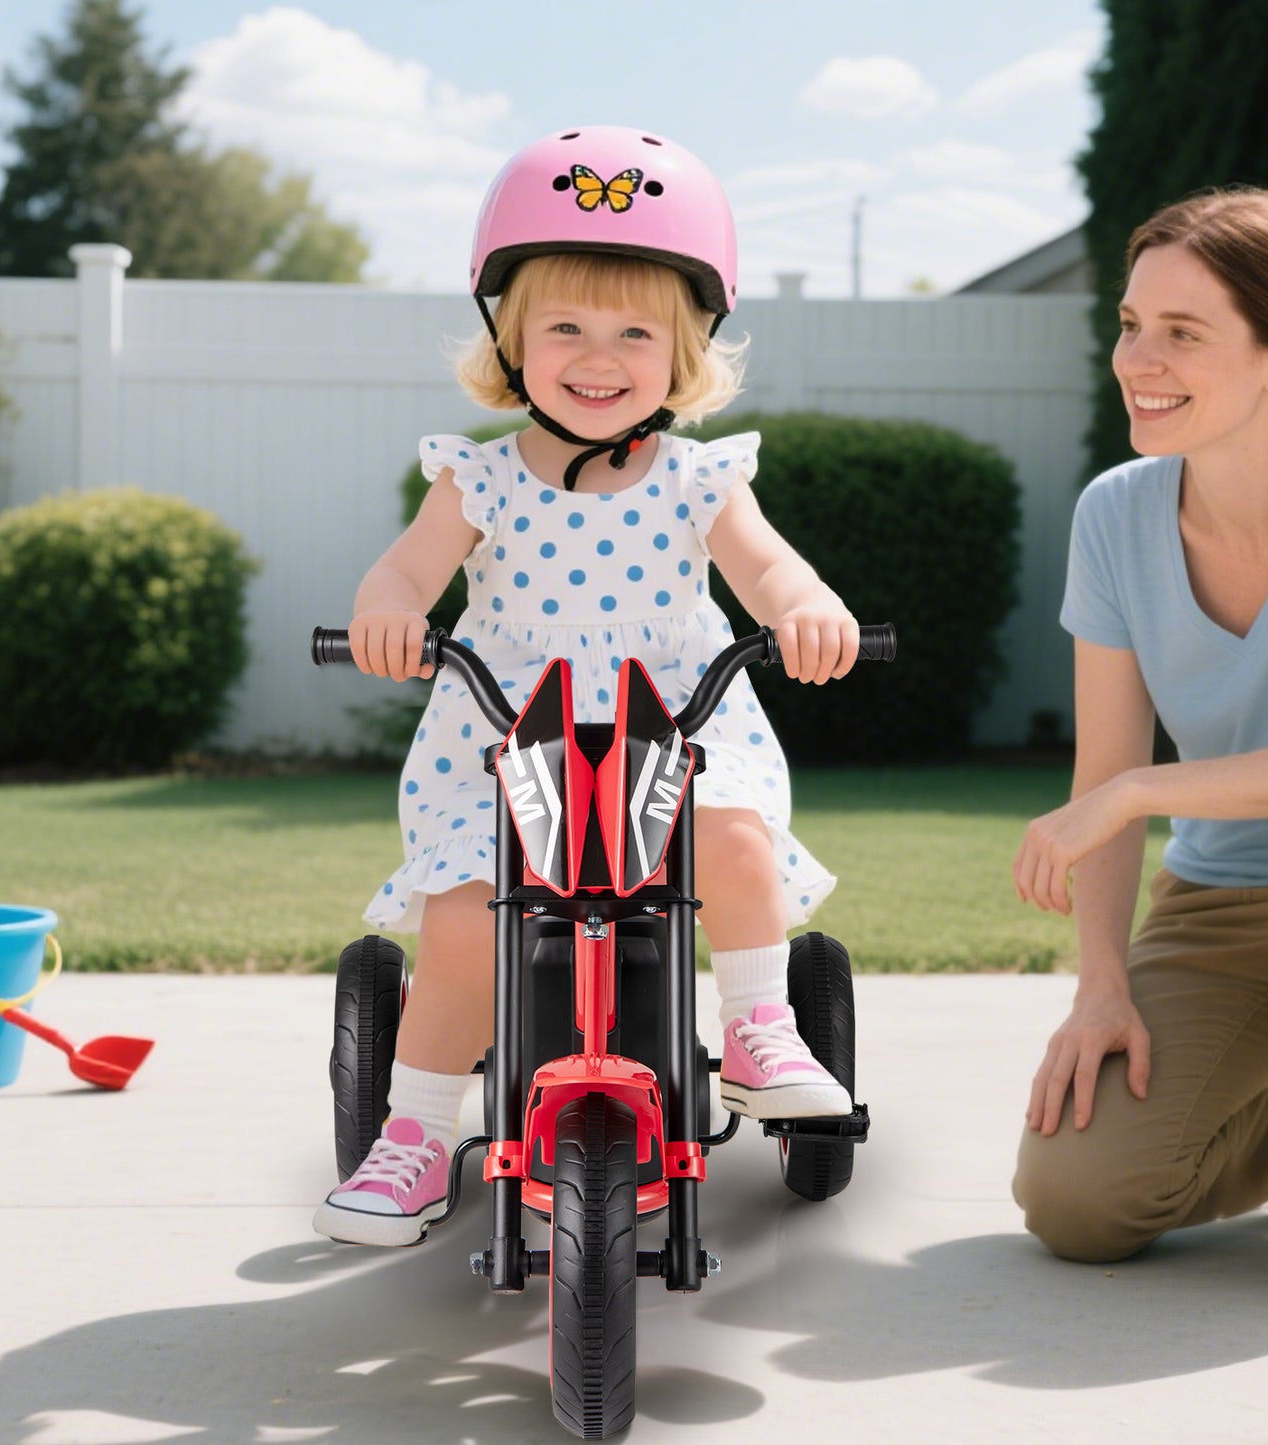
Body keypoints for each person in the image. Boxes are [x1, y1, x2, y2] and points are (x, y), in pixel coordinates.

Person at [313, 127, 861, 1247]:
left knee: (736, 840)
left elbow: (766, 564)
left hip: (675, 727)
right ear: (509, 342)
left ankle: (759, 1024)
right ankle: (413, 1135)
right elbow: (409, 568)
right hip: (505, 739)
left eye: (633, 331)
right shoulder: (479, 475)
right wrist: (389, 608)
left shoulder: (703, 476)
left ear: (686, 349)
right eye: (563, 325)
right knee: (468, 921)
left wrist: (804, 605)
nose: (596, 354)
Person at [1011, 186, 1268, 1297]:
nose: (1135, 358)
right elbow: (1101, 772)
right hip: (1222, 902)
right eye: (1127, 323)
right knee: (1076, 1200)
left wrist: (1146, 787)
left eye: (1181, 332)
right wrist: (1099, 984)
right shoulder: (1115, 513)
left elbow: (1126, 788)